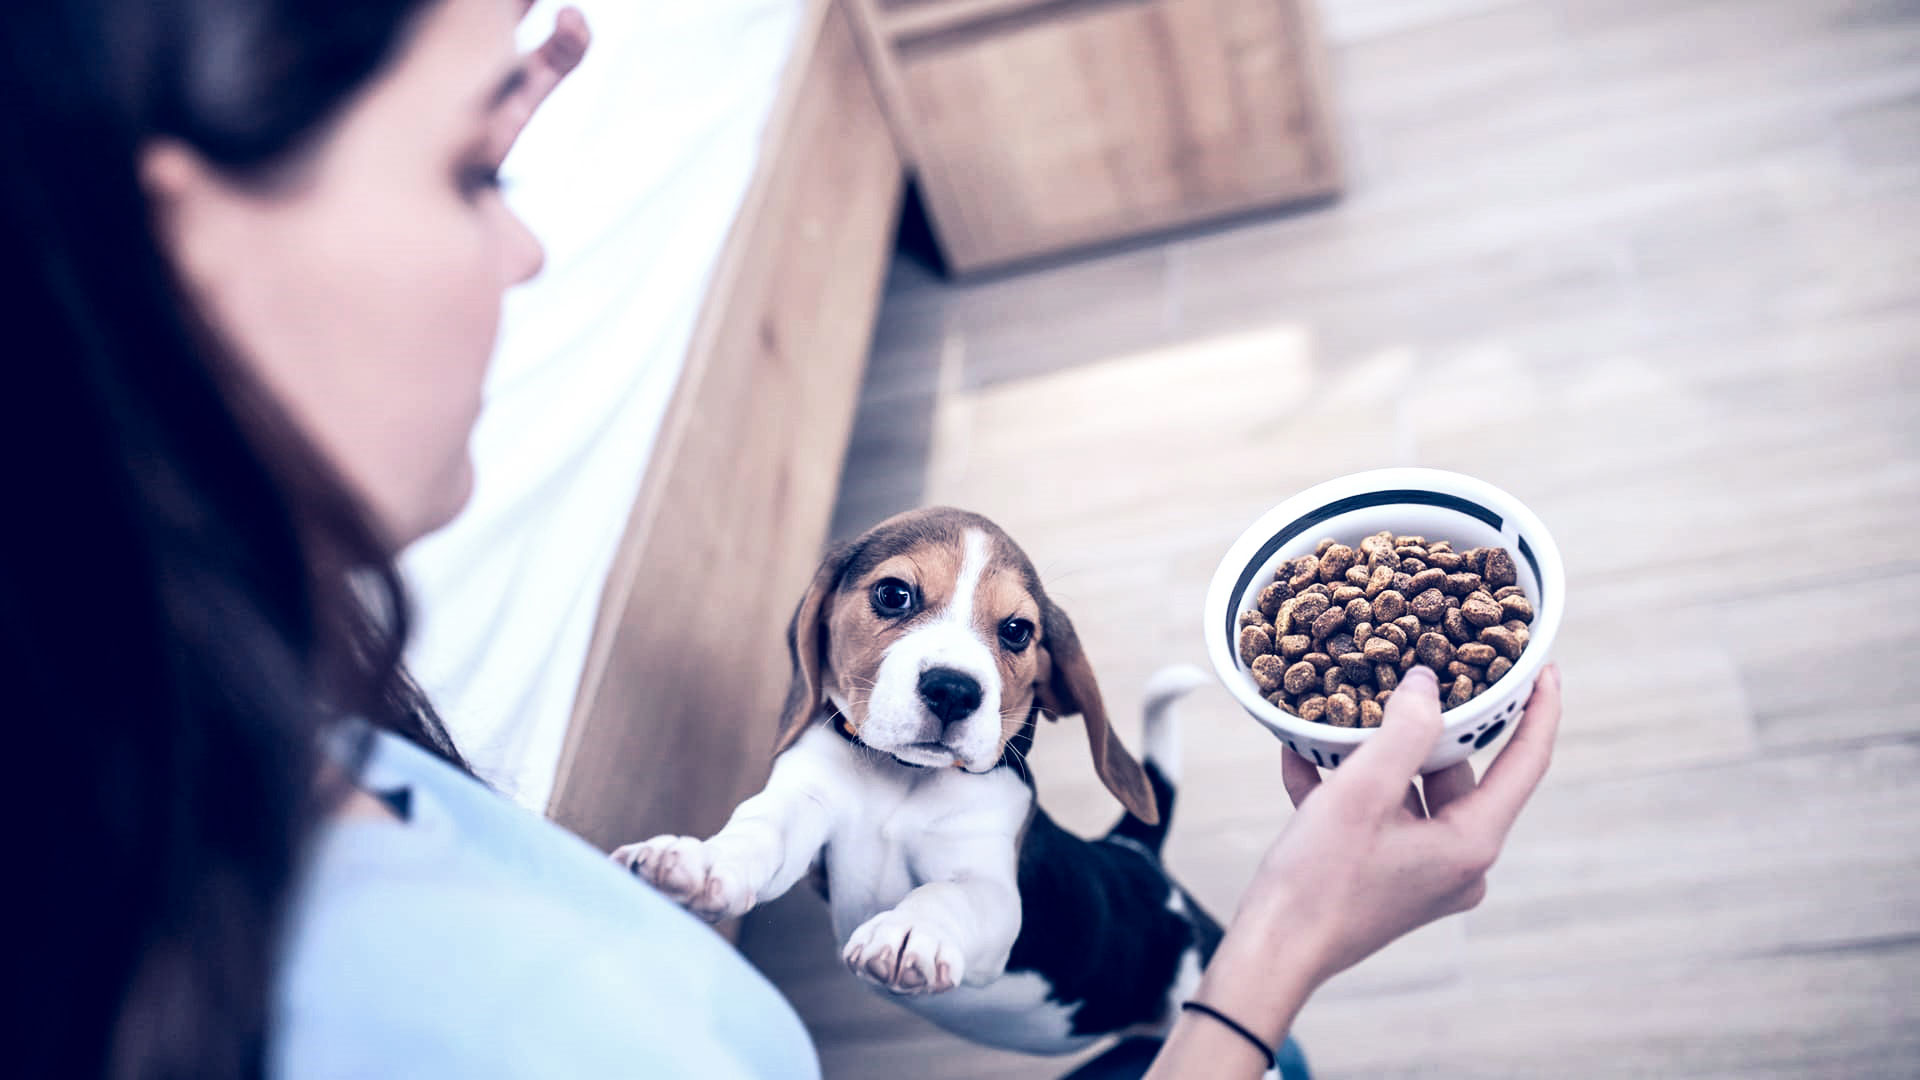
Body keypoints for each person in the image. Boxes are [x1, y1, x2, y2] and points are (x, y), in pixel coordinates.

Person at [0, 0, 1563, 1077]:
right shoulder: (468, 1004)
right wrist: (1278, 955)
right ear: (183, 238)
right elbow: (771, 832)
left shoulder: (274, 717)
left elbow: (877, 871)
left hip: (1114, 971)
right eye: (477, 167)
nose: (539, 243)